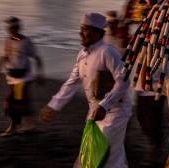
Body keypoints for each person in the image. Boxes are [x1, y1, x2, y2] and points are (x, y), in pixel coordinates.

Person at [40, 13, 132, 168]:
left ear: (99, 33)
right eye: (81, 29)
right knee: (106, 154)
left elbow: (123, 81)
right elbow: (71, 82)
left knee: (104, 154)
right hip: (95, 112)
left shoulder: (107, 52)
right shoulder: (82, 55)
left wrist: (105, 105)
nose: (81, 33)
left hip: (115, 113)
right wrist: (54, 105)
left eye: (86, 30)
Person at [0, 16, 44, 137]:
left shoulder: (26, 42)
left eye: (14, 27)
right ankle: (30, 124)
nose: (11, 30)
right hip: (12, 77)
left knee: (12, 101)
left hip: (23, 78)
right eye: (9, 28)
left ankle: (13, 126)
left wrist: (40, 73)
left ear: (19, 27)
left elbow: (37, 58)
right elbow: (2, 58)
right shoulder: (7, 41)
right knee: (21, 101)